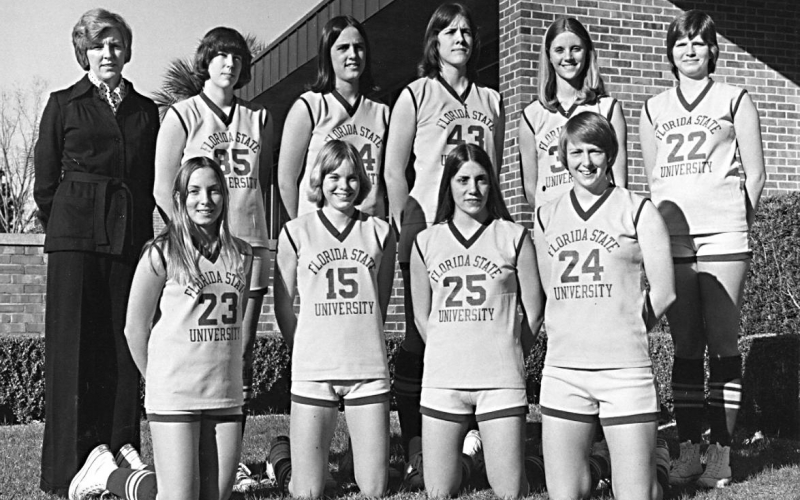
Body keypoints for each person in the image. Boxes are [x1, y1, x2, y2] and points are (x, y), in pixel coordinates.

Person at [68, 157, 253, 500]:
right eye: (194, 191)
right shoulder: (161, 252)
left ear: (225, 197)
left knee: (216, 495)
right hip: (175, 394)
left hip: (224, 394)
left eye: (214, 191)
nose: (205, 200)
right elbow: (134, 328)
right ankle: (108, 476)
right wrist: (157, 381)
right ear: (180, 200)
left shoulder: (243, 254)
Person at [33, 8, 159, 497]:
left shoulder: (145, 110)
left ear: (127, 51)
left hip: (128, 238)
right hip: (75, 240)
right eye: (98, 45)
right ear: (84, 52)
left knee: (124, 341)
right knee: (74, 349)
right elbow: (46, 185)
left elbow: (147, 179)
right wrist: (74, 219)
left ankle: (121, 447)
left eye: (116, 45)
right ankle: (70, 467)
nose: (108, 53)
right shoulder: (63, 103)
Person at [639, 10, 766, 488]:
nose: (689, 50)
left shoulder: (734, 98)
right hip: (673, 240)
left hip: (723, 237)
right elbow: (655, 180)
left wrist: (734, 220)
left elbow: (754, 173)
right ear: (670, 52)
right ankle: (690, 449)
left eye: (698, 42)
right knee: (687, 346)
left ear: (713, 49)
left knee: (723, 342)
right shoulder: (654, 108)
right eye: (680, 43)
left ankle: (723, 452)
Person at [383, 3, 504, 481]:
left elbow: (491, 171)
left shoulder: (491, 100)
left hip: (476, 225)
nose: (460, 38)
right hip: (426, 224)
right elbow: (395, 168)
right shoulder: (416, 95)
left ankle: (471, 434)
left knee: (475, 320)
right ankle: (416, 440)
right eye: (450, 31)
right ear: (434, 41)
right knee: (421, 331)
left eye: (467, 32)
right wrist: (403, 223)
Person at [152, 26, 273, 490]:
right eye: (220, 55)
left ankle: (227, 458)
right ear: (206, 61)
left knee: (237, 353)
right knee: (199, 343)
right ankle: (187, 454)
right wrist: (187, 238)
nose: (229, 64)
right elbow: (164, 186)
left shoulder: (256, 117)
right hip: (199, 250)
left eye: (237, 57)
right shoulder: (183, 114)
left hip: (248, 246)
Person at [533, 112, 675, 500]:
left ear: (610, 154)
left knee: (636, 496)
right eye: (575, 151)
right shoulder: (546, 215)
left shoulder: (638, 209)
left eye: (595, 151)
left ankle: (654, 466)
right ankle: (600, 464)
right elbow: (550, 290)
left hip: (625, 371)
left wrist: (622, 325)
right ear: (563, 156)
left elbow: (664, 292)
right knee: (565, 494)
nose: (586, 161)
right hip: (564, 370)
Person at [409, 143, 544, 498]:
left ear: (492, 184)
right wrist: (444, 348)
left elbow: (534, 309)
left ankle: (507, 457)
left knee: (510, 490)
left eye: (482, 179)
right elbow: (422, 318)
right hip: (444, 379)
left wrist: (512, 350)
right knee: (438, 490)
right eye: (463, 179)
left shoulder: (513, 236)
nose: (473, 189)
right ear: (448, 185)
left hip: (499, 378)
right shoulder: (426, 241)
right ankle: (472, 453)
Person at [272, 140, 397, 498]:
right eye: (334, 176)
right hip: (315, 369)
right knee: (308, 492)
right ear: (319, 180)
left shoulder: (381, 232)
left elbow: (381, 301)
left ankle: (351, 460)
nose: (344, 185)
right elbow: (284, 306)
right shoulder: (295, 231)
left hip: (367, 369)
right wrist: (305, 348)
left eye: (352, 177)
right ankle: (282, 459)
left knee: (373, 489)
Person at [278, 15, 389, 219]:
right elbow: (286, 179)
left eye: (359, 47)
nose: (353, 54)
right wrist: (300, 227)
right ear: (327, 54)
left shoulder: (381, 111)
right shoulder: (309, 106)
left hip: (366, 229)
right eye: (343, 48)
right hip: (319, 229)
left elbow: (384, 181)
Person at [518, 17, 627, 209]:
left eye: (576, 49)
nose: (568, 57)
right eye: (559, 50)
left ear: (587, 53)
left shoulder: (607, 108)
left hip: (599, 215)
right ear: (548, 55)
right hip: (553, 218)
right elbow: (530, 188)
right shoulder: (532, 115)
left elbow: (619, 181)